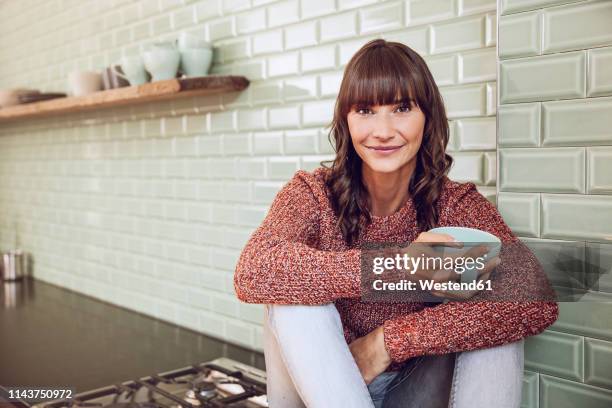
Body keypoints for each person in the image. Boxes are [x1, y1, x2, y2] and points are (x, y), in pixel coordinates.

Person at [233, 38, 559, 408]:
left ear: (428, 117)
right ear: (346, 120)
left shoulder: (455, 203)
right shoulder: (311, 193)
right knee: (291, 295)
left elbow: (537, 297)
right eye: (365, 110)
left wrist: (388, 342)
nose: (383, 130)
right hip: (319, 390)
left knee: (502, 321)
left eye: (402, 107)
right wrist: (397, 266)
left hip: (411, 388)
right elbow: (251, 271)